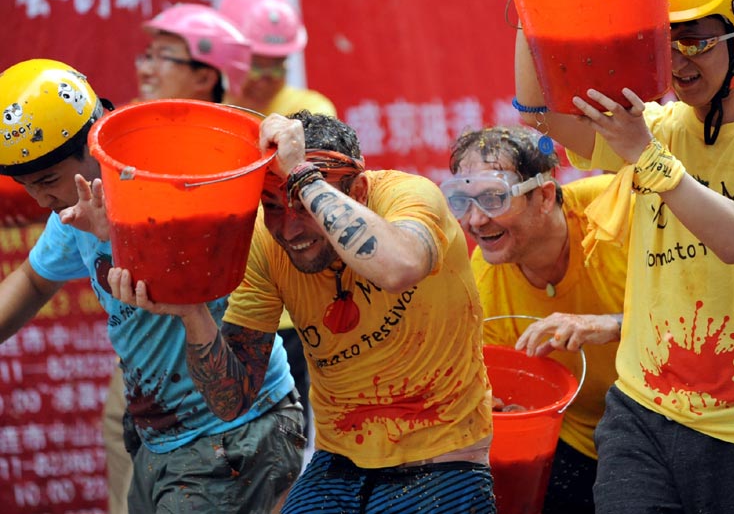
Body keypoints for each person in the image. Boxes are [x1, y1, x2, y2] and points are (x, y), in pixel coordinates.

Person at [512, 0, 734, 513]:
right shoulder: (659, 125)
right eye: (666, 40)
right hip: (644, 410)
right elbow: (542, 114)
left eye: (696, 41)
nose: (679, 60)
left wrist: (647, 155)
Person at [108, 110, 496, 513]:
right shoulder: (265, 243)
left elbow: (398, 268)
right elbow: (232, 401)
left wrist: (302, 176)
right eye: (273, 206)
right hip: (339, 461)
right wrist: (194, 315)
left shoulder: (408, 196)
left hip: (442, 456)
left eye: (305, 206)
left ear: (359, 190)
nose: (289, 230)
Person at [0, 58, 304, 513]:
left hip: (234, 433)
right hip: (161, 437)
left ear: (94, 140)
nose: (42, 198)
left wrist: (112, 235)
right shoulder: (75, 208)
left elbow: (180, 286)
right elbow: (32, 280)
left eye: (47, 180)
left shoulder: (167, 174)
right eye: (27, 186)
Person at [101, 1, 259, 514]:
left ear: (206, 75)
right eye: (144, 55)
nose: (145, 68)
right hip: (145, 376)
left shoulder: (247, 153)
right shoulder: (119, 149)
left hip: (232, 358)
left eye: (161, 57)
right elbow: (40, 274)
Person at [443, 125, 629, 512]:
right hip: (577, 436)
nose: (475, 221)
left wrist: (608, 325)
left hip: (672, 416)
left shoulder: (616, 210)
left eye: (493, 198)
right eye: (462, 201)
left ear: (544, 196)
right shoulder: (483, 279)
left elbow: (701, 311)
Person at [220, 0, 339, 442]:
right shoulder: (210, 110)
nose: (269, 75)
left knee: (283, 439)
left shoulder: (309, 111)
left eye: (279, 63)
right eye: (257, 61)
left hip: (287, 305)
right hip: (219, 300)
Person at [219, 0, 336, 118]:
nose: (262, 82)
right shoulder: (206, 106)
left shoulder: (309, 110)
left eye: (276, 67)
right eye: (254, 66)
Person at [136, 2, 251, 103]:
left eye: (164, 56)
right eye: (149, 56)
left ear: (204, 79)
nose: (144, 70)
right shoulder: (129, 119)